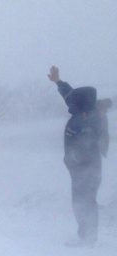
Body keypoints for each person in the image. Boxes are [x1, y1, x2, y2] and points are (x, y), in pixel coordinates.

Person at [48, 66, 104, 246]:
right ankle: (87, 236)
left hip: (86, 171)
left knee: (84, 203)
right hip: (81, 170)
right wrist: (58, 81)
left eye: (74, 103)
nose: (70, 104)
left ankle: (88, 238)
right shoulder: (85, 112)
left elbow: (84, 148)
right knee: (83, 202)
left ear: (81, 106)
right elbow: (70, 96)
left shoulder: (87, 121)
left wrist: (72, 160)